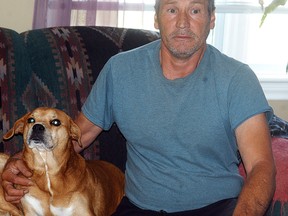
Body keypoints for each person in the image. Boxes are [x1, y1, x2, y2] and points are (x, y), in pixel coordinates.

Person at [2, 0, 276, 215]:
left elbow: (261, 166)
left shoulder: (237, 78)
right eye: (171, 9)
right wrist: (21, 164)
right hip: (140, 208)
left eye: (195, 10)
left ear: (212, 19)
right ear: (156, 18)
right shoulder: (120, 70)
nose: (182, 22)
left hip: (217, 207)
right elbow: (76, 137)